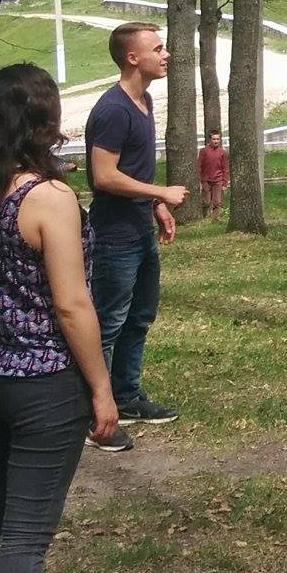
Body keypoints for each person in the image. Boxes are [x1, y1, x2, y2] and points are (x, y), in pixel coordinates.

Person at [0, 64, 118, 573]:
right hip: (45, 381)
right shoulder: (48, 197)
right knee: (25, 537)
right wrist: (102, 388)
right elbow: (72, 304)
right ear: (42, 118)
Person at [83, 24, 187, 453]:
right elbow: (104, 176)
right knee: (107, 324)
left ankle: (125, 397)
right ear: (132, 58)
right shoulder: (113, 110)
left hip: (139, 228)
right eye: (157, 49)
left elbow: (132, 169)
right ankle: (95, 415)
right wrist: (161, 191)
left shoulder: (144, 101)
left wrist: (155, 205)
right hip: (113, 236)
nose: (166, 55)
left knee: (139, 317)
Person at [197, 132, 229, 217]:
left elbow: (225, 168)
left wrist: (225, 182)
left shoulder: (222, 152)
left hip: (218, 179)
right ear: (209, 140)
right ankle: (205, 216)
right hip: (206, 179)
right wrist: (199, 180)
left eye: (217, 139)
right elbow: (199, 166)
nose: (216, 141)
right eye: (214, 139)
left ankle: (215, 218)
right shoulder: (204, 151)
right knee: (206, 201)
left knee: (217, 202)